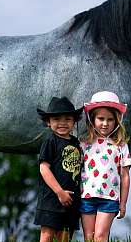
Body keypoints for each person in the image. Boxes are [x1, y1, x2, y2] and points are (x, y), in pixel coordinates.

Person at [79, 91, 131, 242]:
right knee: (89, 237)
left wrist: (123, 203)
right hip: (87, 196)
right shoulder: (84, 144)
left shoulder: (120, 146)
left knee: (101, 236)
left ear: (117, 121)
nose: (105, 123)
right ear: (92, 119)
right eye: (100, 119)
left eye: (110, 119)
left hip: (109, 198)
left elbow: (125, 176)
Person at [34, 96, 84, 242]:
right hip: (51, 198)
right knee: (47, 236)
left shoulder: (76, 143)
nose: (62, 123)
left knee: (64, 237)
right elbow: (44, 168)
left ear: (74, 121)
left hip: (72, 200)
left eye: (68, 119)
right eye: (56, 119)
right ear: (48, 123)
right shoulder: (50, 142)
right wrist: (59, 192)